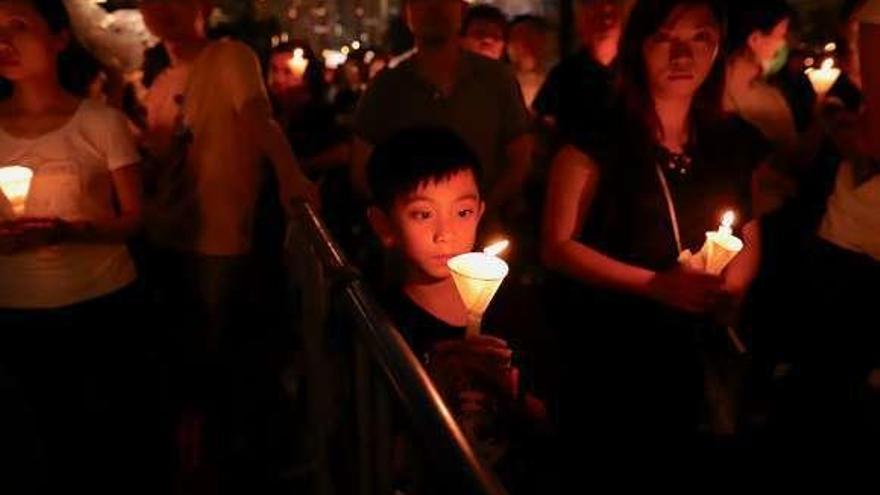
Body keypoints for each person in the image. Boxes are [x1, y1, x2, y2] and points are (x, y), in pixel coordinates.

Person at [541, 0, 768, 461]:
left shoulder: (731, 140)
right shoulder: (597, 135)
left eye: (699, 39)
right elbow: (557, 245)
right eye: (665, 39)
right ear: (638, 48)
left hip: (698, 351)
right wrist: (655, 285)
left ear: (718, 47)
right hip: (615, 355)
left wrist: (731, 290)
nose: (682, 56)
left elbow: (748, 230)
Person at [137, 0, 317, 479]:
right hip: (166, 237)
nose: (161, 8)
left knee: (217, 359)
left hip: (219, 239)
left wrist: (289, 174)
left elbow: (260, 118)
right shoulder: (158, 82)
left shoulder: (230, 57)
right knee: (180, 357)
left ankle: (221, 463)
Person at [0, 0, 152, 491]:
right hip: (14, 311)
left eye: (18, 26)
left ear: (60, 37)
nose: (3, 42)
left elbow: (133, 219)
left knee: (104, 443)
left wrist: (70, 232)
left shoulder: (100, 122)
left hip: (101, 304)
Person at [365, 126, 551, 494]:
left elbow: (548, 424)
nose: (445, 233)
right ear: (384, 226)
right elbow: (376, 457)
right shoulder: (381, 326)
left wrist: (509, 395)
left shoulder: (513, 307)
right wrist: (436, 384)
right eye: (422, 215)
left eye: (463, 212)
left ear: (481, 212)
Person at [352, 0, 531, 231]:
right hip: (410, 243)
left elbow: (519, 159)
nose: (434, 7)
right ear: (407, 14)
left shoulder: (497, 79)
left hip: (484, 235)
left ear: (462, 10)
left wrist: (478, 210)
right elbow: (361, 170)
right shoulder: (385, 87)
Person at [533, 0, 629, 138]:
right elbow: (541, 120)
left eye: (609, 16)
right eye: (597, 17)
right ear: (584, 24)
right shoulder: (564, 74)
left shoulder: (635, 69)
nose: (605, 24)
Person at [507, 15, 552, 110]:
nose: (526, 46)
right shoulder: (497, 86)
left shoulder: (560, 85)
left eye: (532, 37)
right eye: (518, 38)